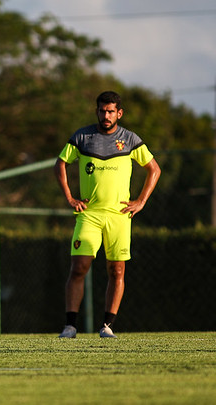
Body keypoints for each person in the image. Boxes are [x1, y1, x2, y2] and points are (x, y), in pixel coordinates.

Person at [55, 91, 161, 339]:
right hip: (89, 214)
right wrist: (70, 198)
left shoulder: (130, 139)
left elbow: (154, 169)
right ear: (97, 111)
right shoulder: (82, 136)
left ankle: (107, 325)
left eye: (111, 111)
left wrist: (141, 201)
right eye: (102, 110)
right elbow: (60, 163)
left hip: (120, 216)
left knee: (117, 271)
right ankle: (70, 325)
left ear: (119, 113)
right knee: (79, 267)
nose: (106, 115)